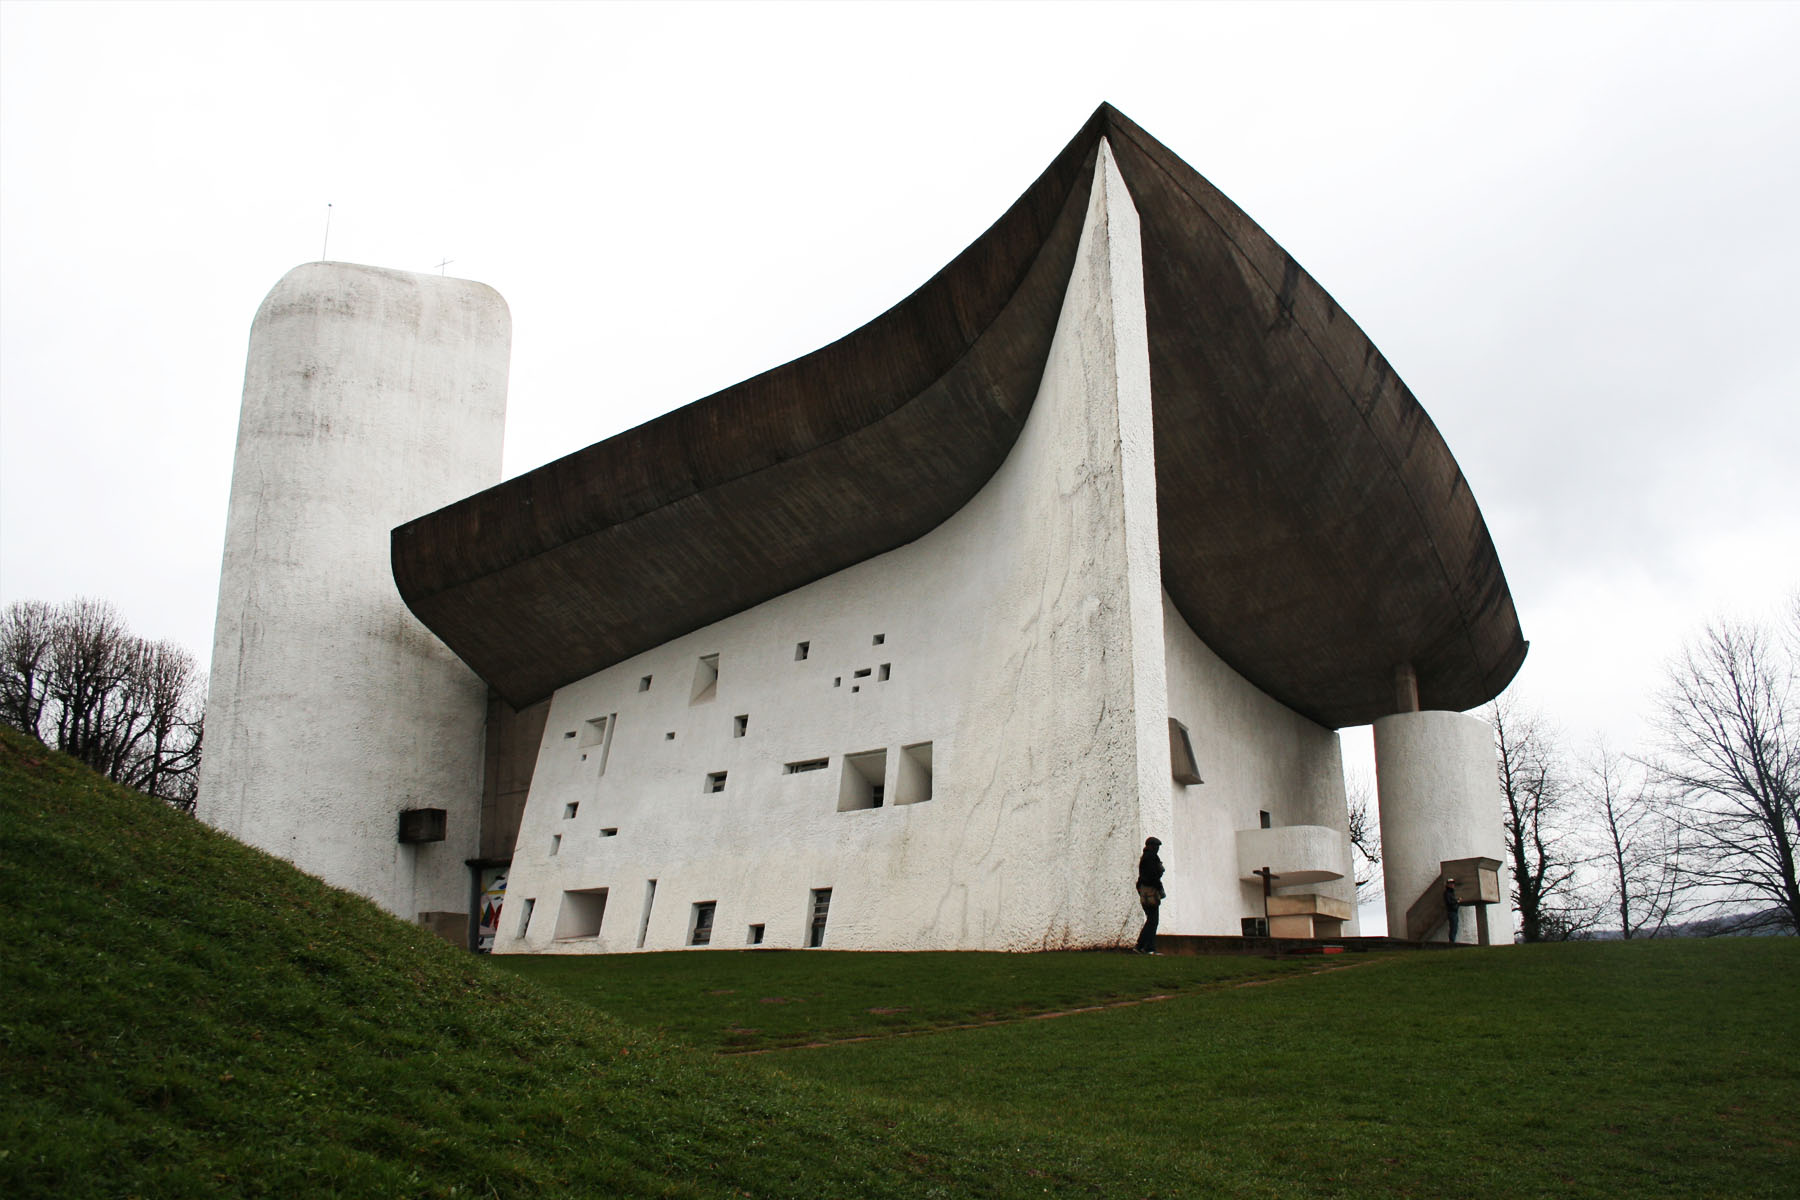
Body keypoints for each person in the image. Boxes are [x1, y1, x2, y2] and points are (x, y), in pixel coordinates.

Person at [1135, 837, 1166, 954]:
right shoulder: (1151, 858)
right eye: (1156, 846)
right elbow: (1153, 876)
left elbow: (1141, 878)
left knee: (1151, 920)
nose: (1157, 848)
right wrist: (1159, 887)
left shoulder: (1145, 857)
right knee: (1153, 920)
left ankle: (1141, 946)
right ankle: (1148, 947)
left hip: (1145, 891)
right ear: (1152, 846)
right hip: (1151, 892)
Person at [1443, 876, 1461, 945]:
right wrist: (1457, 901)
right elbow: (1449, 902)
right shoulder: (1447, 893)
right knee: (1453, 927)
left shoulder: (1451, 893)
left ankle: (1452, 941)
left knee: (1455, 927)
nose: (1452, 885)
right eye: (1451, 883)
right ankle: (1451, 942)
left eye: (1453, 883)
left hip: (1454, 912)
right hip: (1451, 912)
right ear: (1447, 884)